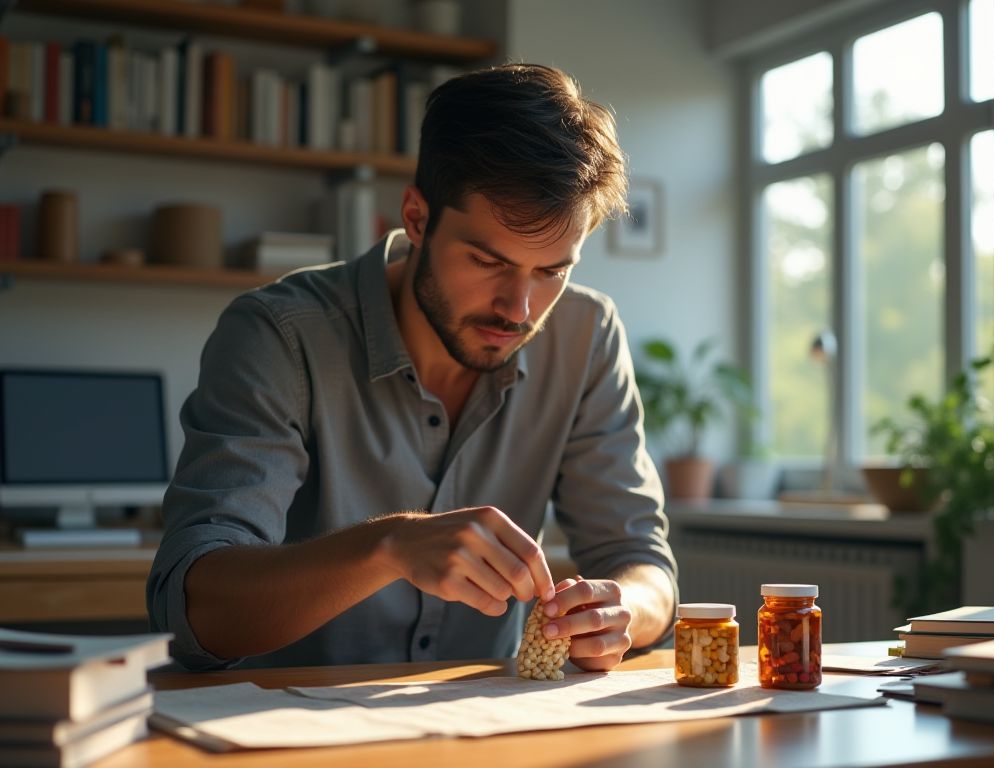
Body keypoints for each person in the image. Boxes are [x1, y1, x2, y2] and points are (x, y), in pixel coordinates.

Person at [147, 63, 678, 671]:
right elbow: (191, 610)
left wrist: (621, 609)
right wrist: (388, 546)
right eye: (487, 260)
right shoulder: (278, 336)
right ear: (417, 218)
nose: (520, 308)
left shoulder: (586, 335)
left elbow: (643, 563)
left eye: (553, 271)